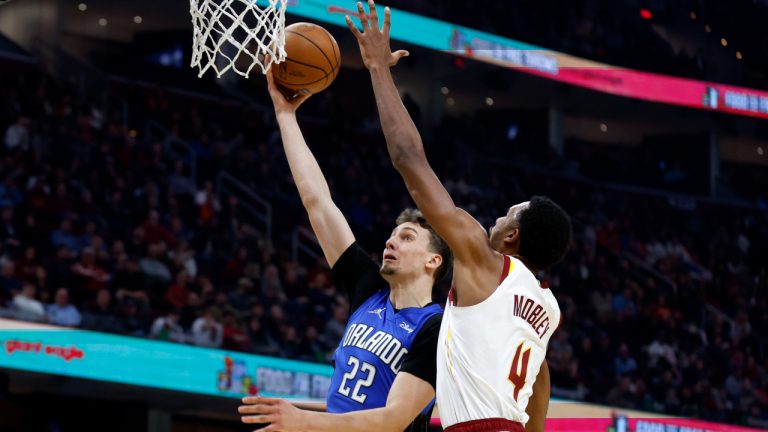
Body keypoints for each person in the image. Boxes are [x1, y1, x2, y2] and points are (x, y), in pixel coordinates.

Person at [344, 2, 572, 431]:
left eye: (505, 217)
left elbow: (409, 159)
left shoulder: (485, 262)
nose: (494, 222)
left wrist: (377, 68)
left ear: (512, 238)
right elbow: (539, 378)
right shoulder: (548, 306)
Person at [238, 68, 452, 431]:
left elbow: (393, 419)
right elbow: (317, 202)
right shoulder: (368, 290)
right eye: (392, 234)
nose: (390, 241)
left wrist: (304, 421)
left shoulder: (437, 328)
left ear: (434, 260)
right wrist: (286, 116)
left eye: (407, 237)